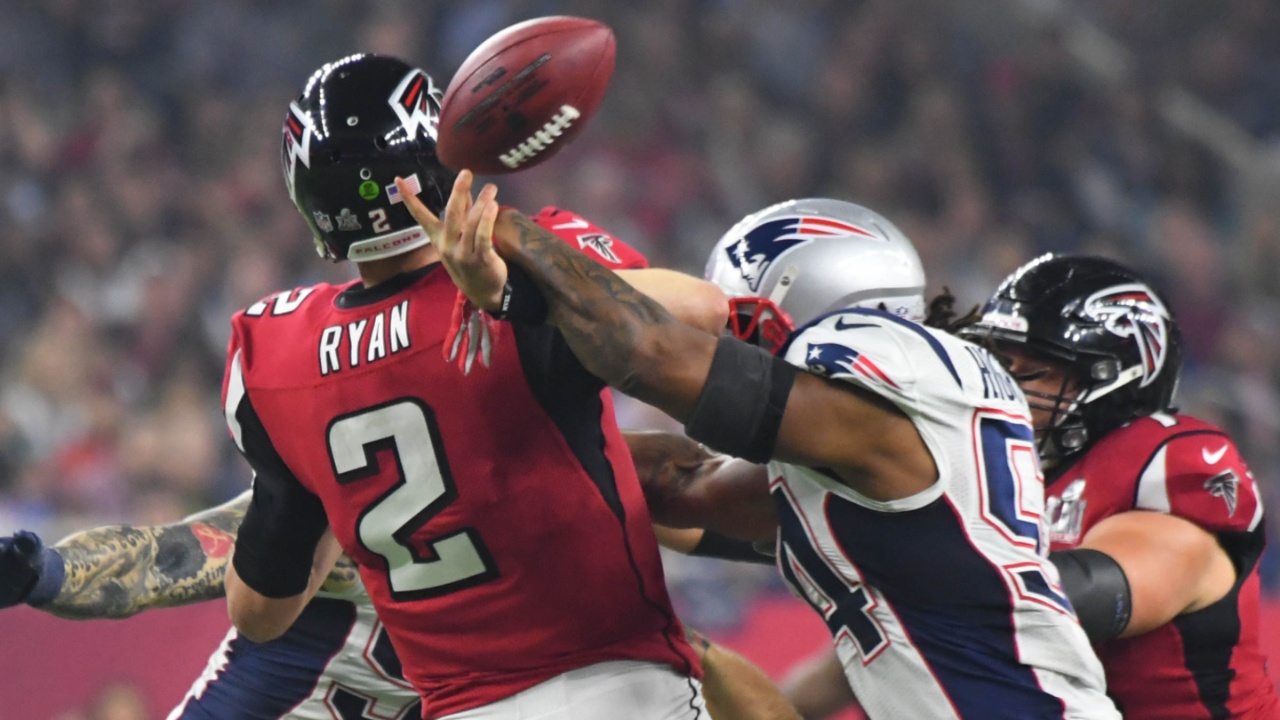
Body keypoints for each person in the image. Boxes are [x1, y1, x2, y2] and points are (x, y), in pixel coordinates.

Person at [403, 183, 1121, 720]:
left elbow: (649, 353)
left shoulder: (878, 397)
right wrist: (473, 447)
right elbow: (680, 485)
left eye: (739, 327)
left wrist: (511, 244)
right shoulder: (882, 448)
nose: (728, 344)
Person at [221, 54, 730, 720]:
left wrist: (327, 493)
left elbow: (258, 613)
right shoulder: (517, 270)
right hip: (620, 686)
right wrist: (522, 281)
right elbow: (703, 311)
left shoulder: (275, 354)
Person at [0, 494, 802, 720]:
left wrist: (824, 540)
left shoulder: (561, 492)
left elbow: (699, 516)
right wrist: (43, 572)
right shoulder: (350, 495)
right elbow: (170, 557)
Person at [960, 254, 1280, 719]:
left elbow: (1082, 595)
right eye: (1000, 365)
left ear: (1114, 381)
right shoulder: (1006, 476)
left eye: (1033, 372)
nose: (1005, 391)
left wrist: (930, 577)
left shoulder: (1161, 464)